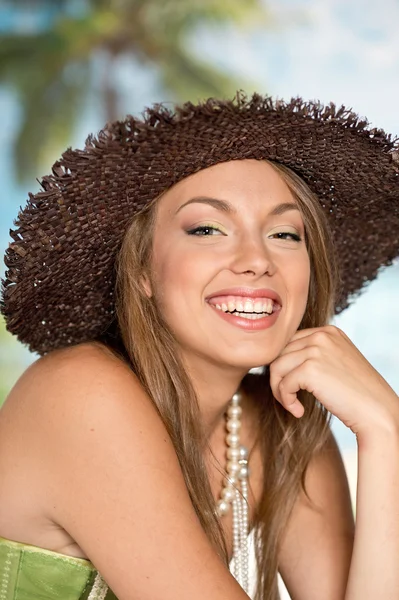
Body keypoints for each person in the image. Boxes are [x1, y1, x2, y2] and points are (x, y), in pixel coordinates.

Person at [0, 92, 398, 600]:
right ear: (142, 270)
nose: (257, 260)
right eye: (207, 228)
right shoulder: (80, 394)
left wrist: (386, 431)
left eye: (284, 233)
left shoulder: (280, 426)